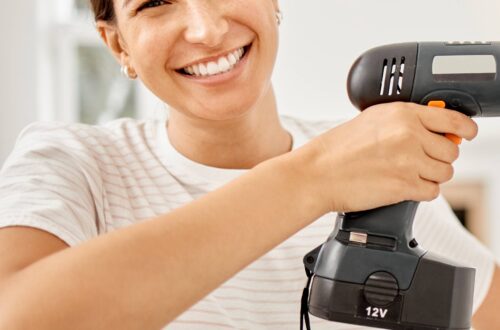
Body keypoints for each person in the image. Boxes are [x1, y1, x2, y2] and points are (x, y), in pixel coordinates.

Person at [0, 0, 498, 329]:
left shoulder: (380, 169)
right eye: (153, 2)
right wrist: (315, 177)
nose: (206, 28)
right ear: (118, 45)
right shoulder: (74, 166)